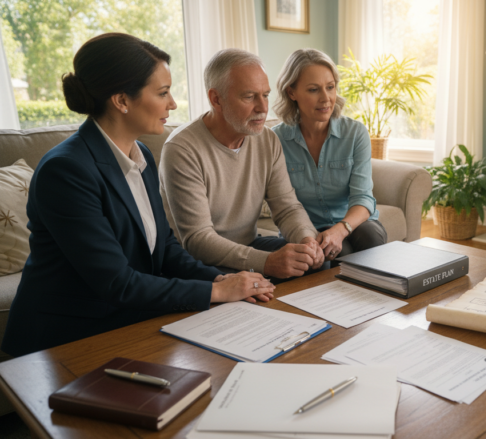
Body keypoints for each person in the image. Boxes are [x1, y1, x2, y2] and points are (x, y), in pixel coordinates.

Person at [1, 34, 273, 358]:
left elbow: (167, 249)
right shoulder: (65, 171)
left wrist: (226, 278)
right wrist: (216, 290)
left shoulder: (139, 153)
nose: (172, 103)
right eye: (162, 93)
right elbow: (118, 283)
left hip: (126, 318)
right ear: (121, 100)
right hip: (65, 341)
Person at [159, 49, 325, 283]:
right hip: (197, 261)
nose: (262, 107)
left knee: (314, 263)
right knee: (258, 284)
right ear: (216, 99)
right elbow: (198, 239)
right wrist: (266, 262)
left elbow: (287, 208)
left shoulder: (267, 140)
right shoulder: (182, 149)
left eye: (265, 95)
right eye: (249, 97)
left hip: (246, 245)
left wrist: (307, 241)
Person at [272, 49, 387, 263]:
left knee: (370, 237)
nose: (326, 98)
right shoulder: (275, 140)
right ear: (291, 92)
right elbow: (280, 205)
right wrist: (311, 237)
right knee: (337, 255)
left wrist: (340, 230)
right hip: (307, 230)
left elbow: (363, 198)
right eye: (314, 89)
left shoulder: (355, 133)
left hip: (353, 224)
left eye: (330, 87)